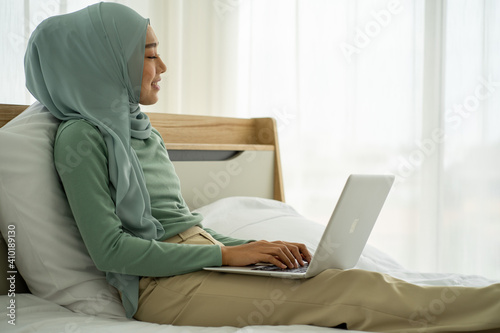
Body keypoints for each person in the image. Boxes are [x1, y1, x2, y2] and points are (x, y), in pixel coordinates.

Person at [24, 3, 500, 332]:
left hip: (198, 262)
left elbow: (182, 227)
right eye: (148, 54)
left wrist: (251, 247)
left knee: (335, 280)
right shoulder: (80, 137)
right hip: (163, 290)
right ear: (101, 61)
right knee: (350, 293)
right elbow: (112, 251)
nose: (163, 65)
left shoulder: (138, 129)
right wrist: (228, 256)